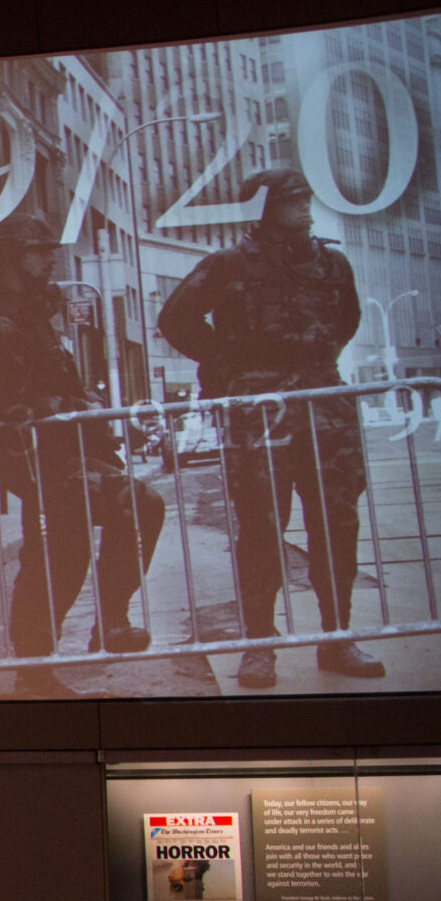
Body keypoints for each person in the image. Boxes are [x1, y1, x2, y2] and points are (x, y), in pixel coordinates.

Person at [157, 167, 381, 688]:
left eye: (306, 200)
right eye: (292, 201)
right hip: (260, 416)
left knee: (338, 524)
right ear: (264, 210)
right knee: (261, 529)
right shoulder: (228, 265)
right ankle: (259, 645)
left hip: (324, 408)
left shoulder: (331, 264)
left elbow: (346, 321)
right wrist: (230, 362)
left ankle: (338, 636)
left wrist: (309, 362)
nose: (305, 209)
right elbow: (176, 320)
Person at [0, 214, 167, 693]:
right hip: (38, 462)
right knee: (70, 550)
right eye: (39, 251)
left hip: (68, 455)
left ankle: (80, 642)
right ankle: (55, 659)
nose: (50, 259)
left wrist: (82, 406)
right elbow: (11, 406)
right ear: (10, 259)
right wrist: (81, 407)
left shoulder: (30, 315)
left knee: (64, 554)